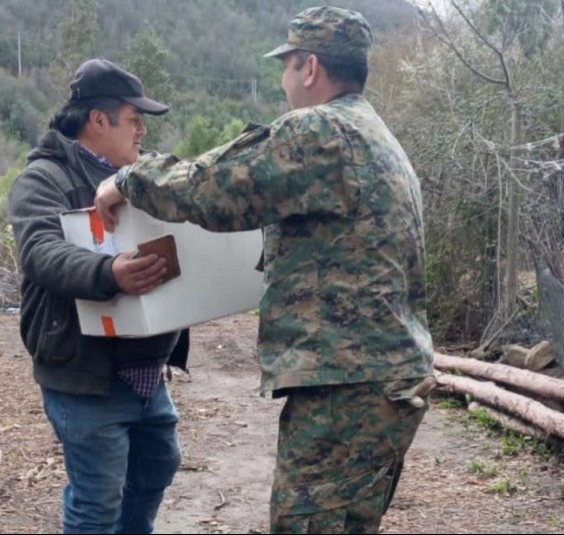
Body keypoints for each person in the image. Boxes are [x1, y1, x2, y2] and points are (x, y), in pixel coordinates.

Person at [94, 7, 435, 534]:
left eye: (286, 65)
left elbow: (215, 186)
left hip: (345, 386)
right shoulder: (375, 135)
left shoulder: (321, 129)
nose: (283, 80)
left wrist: (129, 179)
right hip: (383, 380)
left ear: (310, 67)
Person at [8, 58, 185, 534]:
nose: (142, 131)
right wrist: (109, 273)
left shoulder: (142, 176)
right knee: (98, 501)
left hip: (147, 371)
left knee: (157, 468)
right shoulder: (44, 178)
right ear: (99, 120)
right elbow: (41, 252)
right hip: (85, 373)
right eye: (134, 119)